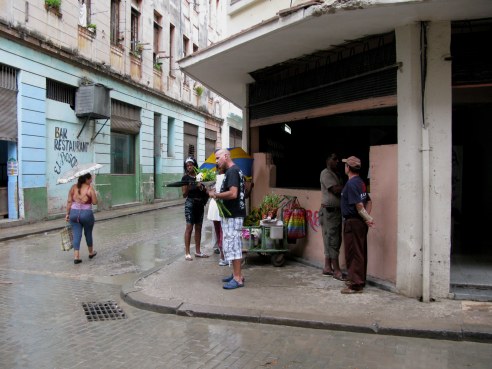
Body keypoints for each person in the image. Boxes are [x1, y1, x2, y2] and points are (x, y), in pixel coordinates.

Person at [208, 148, 246, 289]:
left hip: (233, 215)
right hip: (233, 214)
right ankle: (237, 274)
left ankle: (237, 279)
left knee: (234, 245)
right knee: (232, 244)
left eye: (218, 158)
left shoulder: (232, 171)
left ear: (225, 156)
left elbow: (233, 193)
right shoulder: (235, 171)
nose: (216, 162)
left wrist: (216, 195)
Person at [340, 156, 374, 294]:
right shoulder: (361, 183)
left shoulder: (352, 184)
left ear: (348, 168)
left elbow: (359, 205)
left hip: (353, 222)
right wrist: (366, 218)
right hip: (358, 221)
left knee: (353, 252)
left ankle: (355, 285)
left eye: (345, 165)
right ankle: (357, 279)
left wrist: (367, 218)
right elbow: (369, 201)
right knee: (359, 252)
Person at [319, 153, 345, 281]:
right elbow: (335, 190)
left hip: (333, 212)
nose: (337, 161)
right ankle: (337, 270)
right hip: (329, 212)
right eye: (335, 159)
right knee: (333, 240)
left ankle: (328, 267)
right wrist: (349, 186)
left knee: (331, 239)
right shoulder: (326, 173)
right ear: (328, 160)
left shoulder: (336, 174)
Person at [65, 172, 98, 264]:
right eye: (90, 179)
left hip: (74, 213)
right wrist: (95, 195)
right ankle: (91, 252)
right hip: (86, 214)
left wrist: (67, 214)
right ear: (86, 179)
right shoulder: (90, 189)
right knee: (88, 233)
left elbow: (69, 202)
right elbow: (95, 202)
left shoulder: (73, 187)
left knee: (76, 234)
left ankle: (76, 256)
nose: (91, 180)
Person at [182, 157, 209, 261]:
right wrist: (189, 186)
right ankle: (187, 253)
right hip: (190, 203)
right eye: (187, 165)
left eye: (191, 165)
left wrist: (200, 186)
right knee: (189, 227)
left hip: (199, 204)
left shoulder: (200, 176)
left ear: (195, 165)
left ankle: (198, 251)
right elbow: (184, 195)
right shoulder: (185, 178)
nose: (189, 167)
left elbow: (204, 190)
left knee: (199, 227)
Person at [207, 165, 228, 266]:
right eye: (218, 168)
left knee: (222, 232)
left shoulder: (227, 177)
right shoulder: (214, 178)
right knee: (219, 231)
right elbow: (209, 192)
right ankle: (223, 255)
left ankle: (224, 255)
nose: (219, 169)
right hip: (215, 206)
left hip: (221, 205)